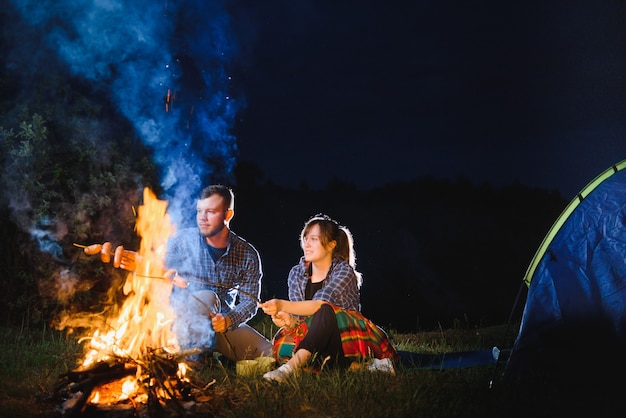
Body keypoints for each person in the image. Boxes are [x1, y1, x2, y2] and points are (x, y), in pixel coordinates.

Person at [114, 185, 272, 362]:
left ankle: (212, 353)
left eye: (211, 212)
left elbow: (250, 302)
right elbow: (158, 265)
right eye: (199, 211)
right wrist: (140, 263)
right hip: (182, 325)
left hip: (221, 327)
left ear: (228, 215)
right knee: (207, 297)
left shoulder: (247, 254)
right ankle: (190, 363)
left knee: (270, 353)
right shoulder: (181, 241)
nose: (202, 218)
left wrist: (228, 320)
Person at [259, 214, 398, 382]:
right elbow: (304, 321)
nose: (307, 244)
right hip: (316, 337)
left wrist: (283, 305)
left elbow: (320, 305)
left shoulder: (343, 271)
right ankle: (359, 367)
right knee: (287, 339)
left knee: (325, 310)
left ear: (331, 245)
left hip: (347, 335)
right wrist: (289, 320)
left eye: (314, 239)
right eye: (305, 238)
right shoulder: (296, 273)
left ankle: (289, 369)